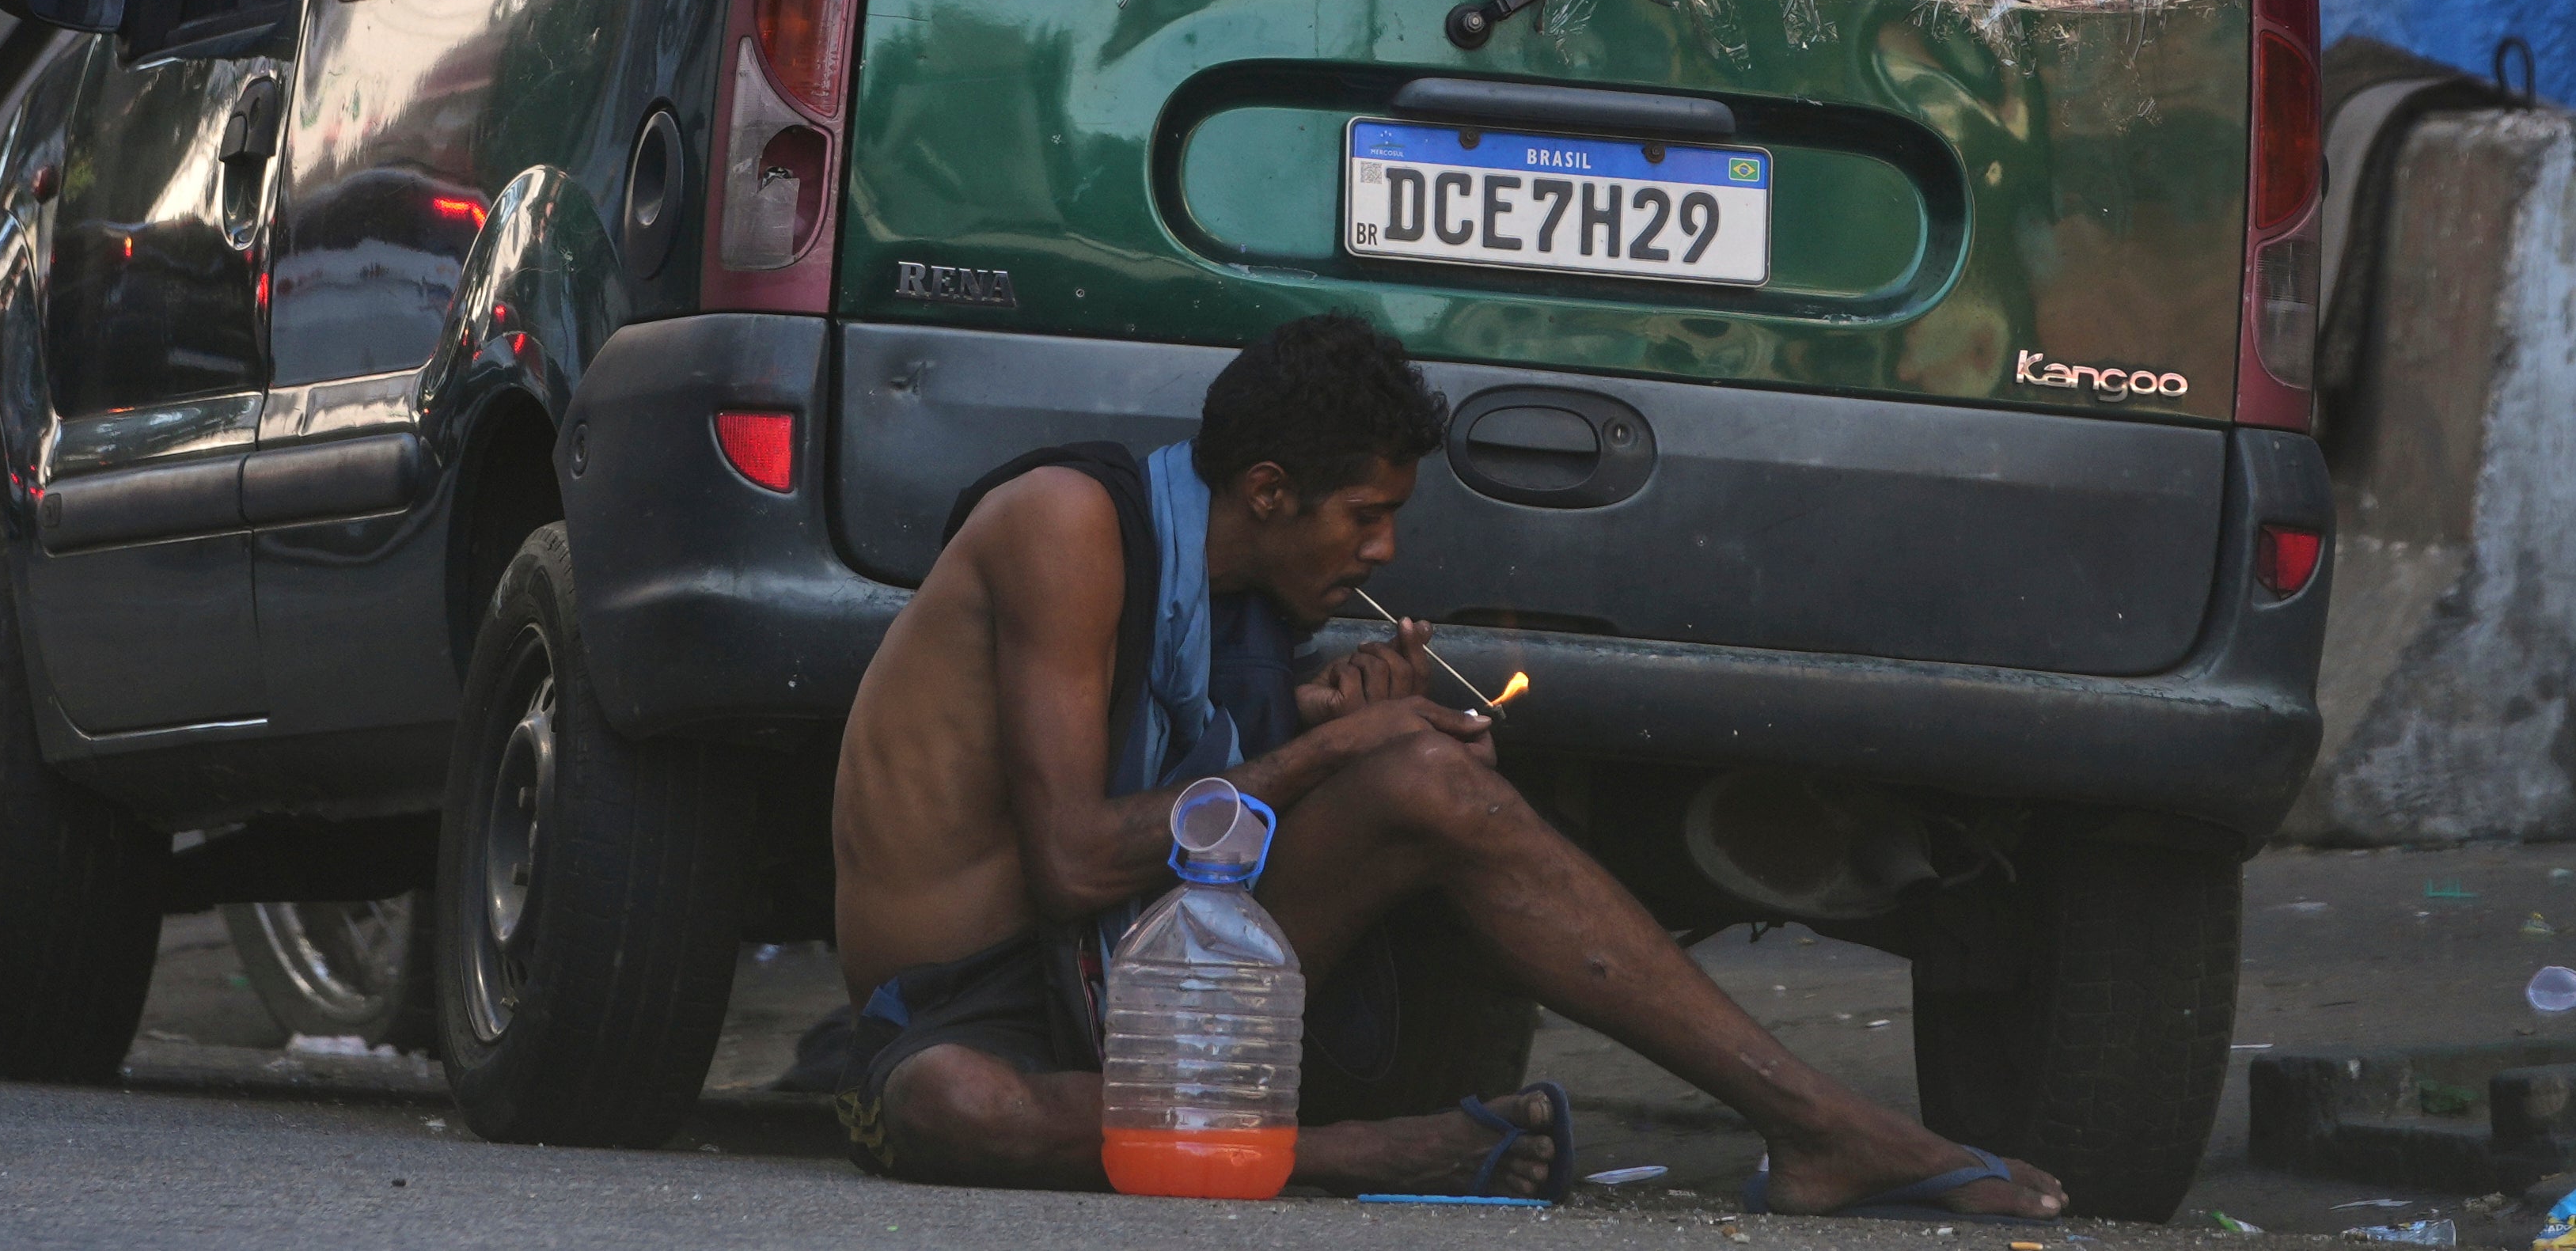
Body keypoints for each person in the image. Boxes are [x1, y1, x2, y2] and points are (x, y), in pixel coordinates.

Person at [830, 315, 2069, 1219]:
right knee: (958, 1111)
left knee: (1434, 781)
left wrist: (1340, 731)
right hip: (968, 1004)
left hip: (1139, 983)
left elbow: (1184, 774)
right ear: (1267, 491)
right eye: (1362, 515)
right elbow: (1067, 862)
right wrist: (1327, 744)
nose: (1382, 548)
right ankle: (1364, 1151)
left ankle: (1819, 1128)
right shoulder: (1066, 525)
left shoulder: (1226, 587)